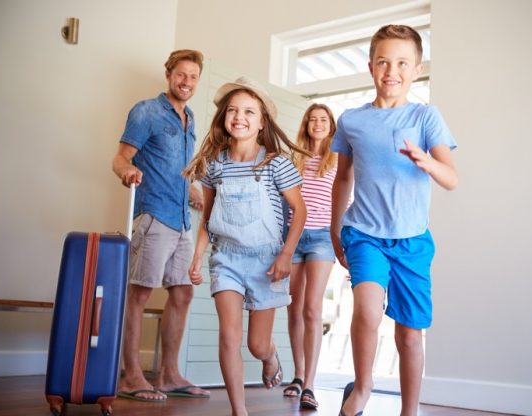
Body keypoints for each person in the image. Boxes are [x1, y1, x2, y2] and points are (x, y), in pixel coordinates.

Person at [330, 25, 458, 416]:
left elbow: (452, 177)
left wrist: (427, 161)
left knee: (409, 332)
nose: (392, 70)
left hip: (412, 241)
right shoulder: (352, 120)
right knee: (367, 310)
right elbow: (343, 178)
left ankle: (409, 409)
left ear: (416, 69)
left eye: (402, 63)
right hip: (365, 233)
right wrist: (337, 232)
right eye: (383, 61)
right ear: (371, 67)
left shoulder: (425, 116)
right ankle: (363, 388)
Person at [183, 76, 309, 416]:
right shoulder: (215, 164)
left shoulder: (276, 164)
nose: (240, 117)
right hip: (226, 259)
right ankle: (239, 411)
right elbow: (208, 217)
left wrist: (286, 255)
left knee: (255, 345)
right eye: (234, 110)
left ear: (262, 121)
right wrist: (197, 257)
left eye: (249, 111)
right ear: (225, 117)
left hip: (268, 261)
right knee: (228, 335)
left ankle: (270, 356)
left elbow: (300, 211)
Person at [111, 49, 210, 402]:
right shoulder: (146, 111)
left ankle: (168, 374)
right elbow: (121, 157)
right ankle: (131, 376)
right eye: (181, 74)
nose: (186, 82)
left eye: (193, 76)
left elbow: (176, 168)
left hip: (181, 219)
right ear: (169, 74)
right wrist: (128, 171)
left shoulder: (191, 117)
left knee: (182, 292)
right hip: (153, 216)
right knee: (138, 294)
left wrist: (194, 190)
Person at [282, 104, 337, 410]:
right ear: (306, 125)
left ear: (331, 126)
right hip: (293, 235)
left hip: (321, 238)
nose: (317, 124)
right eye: (313, 119)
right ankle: (298, 374)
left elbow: (344, 201)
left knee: (313, 309)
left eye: (323, 120)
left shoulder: (338, 161)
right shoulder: (294, 158)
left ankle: (311, 385)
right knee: (294, 308)